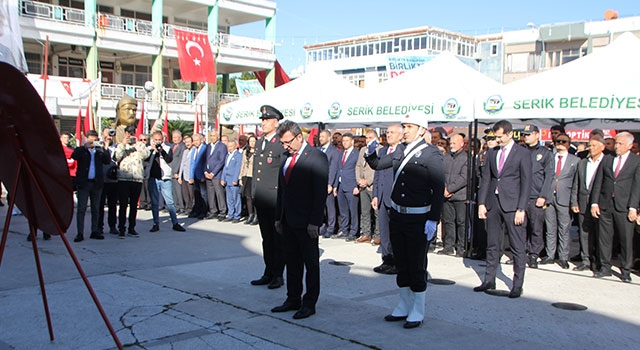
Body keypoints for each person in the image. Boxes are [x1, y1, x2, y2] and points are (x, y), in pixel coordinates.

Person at [365, 112, 445, 329]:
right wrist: (371, 150)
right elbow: (379, 164)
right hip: (397, 215)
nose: (405, 130)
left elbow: (437, 189)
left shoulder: (432, 154)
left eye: (409, 126)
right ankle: (403, 304)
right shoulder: (400, 150)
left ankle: (417, 309)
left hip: (419, 217)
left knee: (416, 263)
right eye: (404, 126)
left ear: (421, 130)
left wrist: (433, 219)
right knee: (401, 261)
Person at [271, 120, 328, 320]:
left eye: (287, 142)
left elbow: (320, 193)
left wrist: (315, 221)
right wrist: (279, 217)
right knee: (292, 261)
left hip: (306, 221)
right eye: (282, 143)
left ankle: (309, 302)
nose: (285, 146)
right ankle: (292, 298)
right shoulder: (286, 156)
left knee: (310, 263)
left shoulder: (316, 157)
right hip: (287, 219)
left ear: (299, 137)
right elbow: (282, 191)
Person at [475, 120, 532, 299]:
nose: (497, 140)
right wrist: (482, 203)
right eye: (495, 137)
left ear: (509, 134)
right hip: (493, 203)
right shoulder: (492, 153)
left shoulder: (522, 153)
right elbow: (486, 179)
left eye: (500, 137)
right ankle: (489, 279)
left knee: (517, 245)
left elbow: (526, 182)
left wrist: (521, 208)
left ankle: (517, 284)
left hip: (513, 205)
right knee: (492, 244)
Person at [590, 131, 640, 283]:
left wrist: (633, 207)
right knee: (604, 238)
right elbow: (599, 181)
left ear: (630, 146)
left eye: (620, 144)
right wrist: (594, 203)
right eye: (616, 143)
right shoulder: (608, 158)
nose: (617, 146)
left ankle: (625, 269)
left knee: (626, 239)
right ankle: (605, 267)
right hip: (606, 204)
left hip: (624, 206)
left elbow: (637, 186)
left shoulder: (635, 161)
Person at [250, 105, 286, 290]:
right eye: (262, 120)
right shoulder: (260, 142)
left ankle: (278, 275)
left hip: (275, 198)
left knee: (277, 238)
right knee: (266, 238)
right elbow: (257, 170)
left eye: (267, 120)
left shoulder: (280, 144)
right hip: (262, 198)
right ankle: (268, 271)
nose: (263, 123)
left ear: (276, 122)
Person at [541, 133, 579, 268]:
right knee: (550, 228)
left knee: (564, 229)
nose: (560, 144)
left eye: (563, 141)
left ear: (569, 144)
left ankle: (563, 257)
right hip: (549, 197)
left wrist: (574, 201)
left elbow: (576, 183)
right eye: (558, 141)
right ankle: (550, 255)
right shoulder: (550, 158)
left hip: (565, 198)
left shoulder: (575, 160)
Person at [570, 135, 607, 272]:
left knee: (600, 234)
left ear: (602, 147)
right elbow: (576, 184)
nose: (590, 148)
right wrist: (574, 201)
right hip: (583, 202)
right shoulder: (583, 163)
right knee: (584, 232)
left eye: (593, 145)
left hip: (600, 205)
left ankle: (599, 261)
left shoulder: (607, 162)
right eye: (589, 145)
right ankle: (585, 260)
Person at [520, 124, 553, 269]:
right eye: (525, 134)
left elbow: (549, 176)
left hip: (536, 195)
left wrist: (543, 196)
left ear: (537, 135)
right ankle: (521, 253)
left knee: (536, 227)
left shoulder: (545, 153)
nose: (526, 136)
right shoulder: (520, 150)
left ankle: (534, 254)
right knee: (521, 227)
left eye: (529, 134)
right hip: (521, 195)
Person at [371, 124, 403, 274]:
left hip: (396, 198)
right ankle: (386, 260)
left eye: (392, 132)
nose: (388, 135)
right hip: (382, 196)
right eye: (387, 132)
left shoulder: (403, 151)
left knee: (396, 232)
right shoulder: (383, 151)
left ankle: (397, 262)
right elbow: (377, 174)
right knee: (384, 231)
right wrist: (375, 194)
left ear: (400, 135)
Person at [71, 130, 111, 242]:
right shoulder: (82, 150)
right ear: (86, 139)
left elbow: (107, 161)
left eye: (94, 139)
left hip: (96, 183)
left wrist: (105, 147)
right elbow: (74, 156)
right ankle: (80, 233)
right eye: (90, 139)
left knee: (96, 208)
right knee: (82, 208)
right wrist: (85, 147)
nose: (92, 142)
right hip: (84, 183)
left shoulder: (99, 151)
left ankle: (95, 231)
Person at [114, 125, 150, 238]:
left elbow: (146, 155)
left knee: (134, 205)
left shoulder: (139, 144)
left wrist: (138, 144)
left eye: (132, 132)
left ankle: (131, 228)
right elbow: (116, 157)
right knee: (123, 204)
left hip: (137, 178)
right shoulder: (121, 145)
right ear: (125, 133)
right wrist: (123, 144)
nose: (131, 135)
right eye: (129, 133)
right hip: (124, 178)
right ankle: (121, 228)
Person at [147, 131, 186, 233]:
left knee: (170, 202)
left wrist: (161, 151)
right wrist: (153, 150)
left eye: (159, 140)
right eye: (156, 140)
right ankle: (156, 223)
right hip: (153, 178)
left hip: (165, 178)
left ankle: (175, 223)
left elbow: (169, 160)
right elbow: (146, 160)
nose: (158, 142)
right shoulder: (149, 149)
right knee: (155, 203)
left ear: (163, 139)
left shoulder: (168, 148)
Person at [439, 133, 468, 257]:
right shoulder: (446, 157)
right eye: (450, 143)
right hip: (446, 195)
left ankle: (461, 247)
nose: (452, 145)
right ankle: (449, 246)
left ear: (462, 144)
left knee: (461, 222)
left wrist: (450, 189)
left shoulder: (467, 158)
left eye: (454, 143)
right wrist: (444, 189)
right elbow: (441, 173)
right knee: (448, 221)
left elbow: (464, 177)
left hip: (460, 195)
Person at [355, 130, 380, 243]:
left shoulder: (380, 150)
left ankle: (378, 235)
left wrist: (368, 181)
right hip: (362, 186)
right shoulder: (363, 150)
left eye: (370, 137)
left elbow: (378, 169)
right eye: (367, 138)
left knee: (377, 212)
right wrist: (359, 180)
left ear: (376, 138)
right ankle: (366, 233)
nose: (368, 140)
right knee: (364, 211)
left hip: (373, 185)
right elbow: (359, 166)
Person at [334, 133, 360, 241]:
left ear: (352, 142)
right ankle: (344, 230)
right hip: (341, 185)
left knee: (353, 210)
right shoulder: (341, 153)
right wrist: (335, 185)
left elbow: (358, 170)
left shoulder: (356, 154)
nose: (344, 143)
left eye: (347, 140)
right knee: (343, 210)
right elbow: (338, 170)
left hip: (351, 186)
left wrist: (356, 186)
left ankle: (354, 231)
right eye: (343, 141)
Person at [317, 130, 340, 238]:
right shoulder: (318, 150)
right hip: (318, 181)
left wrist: (330, 183)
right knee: (321, 206)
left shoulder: (333, 151)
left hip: (327, 182)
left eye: (322, 136)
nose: (320, 138)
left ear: (328, 137)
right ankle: (322, 224)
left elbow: (333, 168)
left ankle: (331, 227)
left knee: (330, 206)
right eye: (320, 136)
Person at [98, 127, 119, 236]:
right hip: (101, 180)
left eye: (111, 134)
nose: (108, 137)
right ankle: (99, 227)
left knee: (112, 205)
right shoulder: (98, 147)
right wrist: (103, 146)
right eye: (106, 134)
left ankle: (112, 226)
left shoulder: (116, 147)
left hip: (113, 180)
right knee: (100, 205)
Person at [205, 130, 227, 220]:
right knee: (210, 194)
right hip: (207, 174)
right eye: (211, 135)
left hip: (216, 174)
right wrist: (205, 171)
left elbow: (221, 161)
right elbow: (205, 159)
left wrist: (213, 173)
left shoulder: (222, 146)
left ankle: (222, 211)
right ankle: (213, 211)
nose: (212, 137)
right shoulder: (208, 146)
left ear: (218, 136)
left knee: (219, 193)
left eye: (214, 135)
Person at [221, 140, 243, 223]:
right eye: (228, 146)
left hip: (233, 180)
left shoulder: (238, 155)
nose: (229, 148)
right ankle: (230, 214)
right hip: (227, 180)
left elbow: (238, 168)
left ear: (235, 146)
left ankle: (237, 215)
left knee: (236, 199)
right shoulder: (227, 155)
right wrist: (223, 178)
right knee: (229, 199)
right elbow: (225, 167)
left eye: (230, 146)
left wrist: (235, 179)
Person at [189, 133, 208, 220]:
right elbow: (192, 164)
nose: (195, 142)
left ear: (201, 140)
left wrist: (204, 174)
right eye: (194, 140)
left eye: (197, 140)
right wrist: (191, 176)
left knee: (203, 194)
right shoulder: (193, 150)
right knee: (196, 194)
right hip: (195, 175)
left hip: (202, 175)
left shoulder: (205, 148)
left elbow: (205, 162)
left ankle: (204, 211)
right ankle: (197, 210)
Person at [239, 135, 257, 225]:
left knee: (254, 197)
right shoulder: (245, 151)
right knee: (248, 197)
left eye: (254, 141)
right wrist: (240, 177)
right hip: (246, 175)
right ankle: (250, 214)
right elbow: (242, 164)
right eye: (251, 141)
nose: (252, 143)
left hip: (254, 176)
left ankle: (256, 216)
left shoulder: (258, 152)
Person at [170, 130, 187, 215]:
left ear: (180, 138)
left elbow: (181, 160)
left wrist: (177, 172)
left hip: (177, 172)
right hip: (171, 171)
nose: (175, 139)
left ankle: (181, 207)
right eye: (173, 137)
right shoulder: (172, 146)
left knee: (179, 191)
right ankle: (176, 206)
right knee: (174, 191)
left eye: (176, 137)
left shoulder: (182, 147)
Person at [178, 135, 195, 215]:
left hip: (190, 175)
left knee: (191, 193)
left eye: (189, 142)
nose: (187, 144)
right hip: (184, 175)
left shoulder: (194, 150)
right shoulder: (185, 151)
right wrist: (179, 175)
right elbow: (182, 164)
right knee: (185, 193)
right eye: (186, 142)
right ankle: (187, 207)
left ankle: (192, 208)